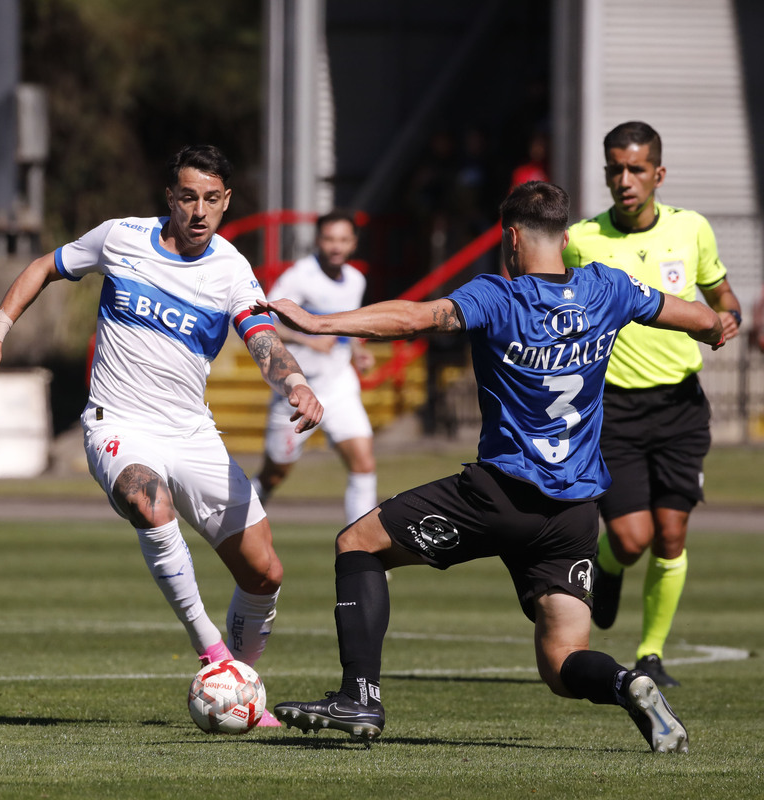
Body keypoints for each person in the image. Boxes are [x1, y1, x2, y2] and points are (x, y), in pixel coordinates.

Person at [266, 181, 722, 753]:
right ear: (563, 235)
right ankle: (627, 683)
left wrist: (317, 322)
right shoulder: (607, 287)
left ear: (510, 237)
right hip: (576, 512)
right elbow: (687, 315)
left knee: (358, 541)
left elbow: (414, 318)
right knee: (563, 664)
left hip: (501, 496)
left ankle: (360, 695)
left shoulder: (498, 297)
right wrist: (713, 325)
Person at [0, 145, 323, 727]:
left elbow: (263, 341)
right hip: (118, 423)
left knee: (264, 573)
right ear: (170, 198)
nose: (199, 211)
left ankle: (243, 689)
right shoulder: (120, 237)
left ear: (227, 201)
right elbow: (42, 268)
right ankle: (213, 655)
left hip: (192, 433)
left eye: (211, 199)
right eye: (188, 198)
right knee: (147, 500)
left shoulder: (232, 270)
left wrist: (296, 383)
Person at [562, 121, 743, 687]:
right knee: (632, 538)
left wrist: (729, 316)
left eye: (636, 169)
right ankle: (611, 565)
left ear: (658, 174)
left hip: (680, 408)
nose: (624, 179)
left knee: (670, 536)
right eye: (615, 168)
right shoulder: (581, 239)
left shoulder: (692, 230)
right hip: (612, 409)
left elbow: (720, 293)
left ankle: (650, 652)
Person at [251, 210, 378, 525]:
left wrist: (357, 353)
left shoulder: (356, 280)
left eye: (343, 239)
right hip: (296, 391)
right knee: (274, 475)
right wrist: (307, 340)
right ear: (319, 240)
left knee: (363, 463)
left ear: (353, 243)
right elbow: (261, 321)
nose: (336, 246)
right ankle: (237, 532)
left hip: (339, 387)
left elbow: (347, 330)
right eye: (330, 238)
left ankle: (365, 552)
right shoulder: (300, 276)